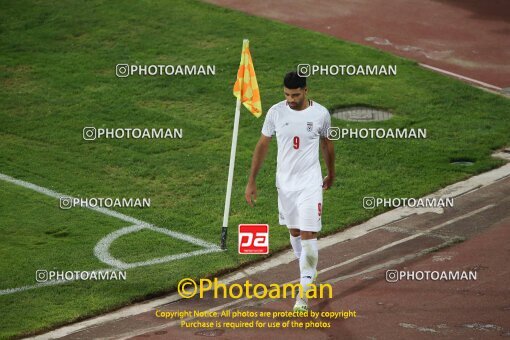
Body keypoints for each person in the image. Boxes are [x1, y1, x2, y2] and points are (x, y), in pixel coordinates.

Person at [245, 71, 335, 312]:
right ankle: (307, 270)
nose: (290, 99)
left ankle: (302, 295)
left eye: (295, 95)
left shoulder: (321, 114)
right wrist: (251, 180)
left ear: (306, 90)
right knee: (294, 231)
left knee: (308, 235)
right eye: (286, 94)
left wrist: (331, 173)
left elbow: (327, 144)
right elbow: (262, 145)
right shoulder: (275, 112)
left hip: (309, 184)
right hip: (284, 185)